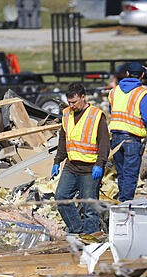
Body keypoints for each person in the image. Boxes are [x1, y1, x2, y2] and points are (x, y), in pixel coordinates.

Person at [51, 82, 110, 235]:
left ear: (83, 97)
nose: (72, 105)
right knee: (61, 197)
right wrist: (57, 161)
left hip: (90, 168)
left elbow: (104, 142)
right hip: (71, 166)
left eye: (74, 102)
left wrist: (100, 163)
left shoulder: (96, 115)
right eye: (69, 102)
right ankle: (77, 230)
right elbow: (63, 140)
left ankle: (91, 235)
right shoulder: (66, 114)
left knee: (90, 207)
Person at [108, 61, 147, 202]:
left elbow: (113, 111)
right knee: (130, 174)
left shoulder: (114, 91)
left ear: (127, 74)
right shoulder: (141, 93)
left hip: (116, 138)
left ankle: (122, 201)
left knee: (121, 173)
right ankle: (125, 203)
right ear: (142, 75)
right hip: (132, 139)